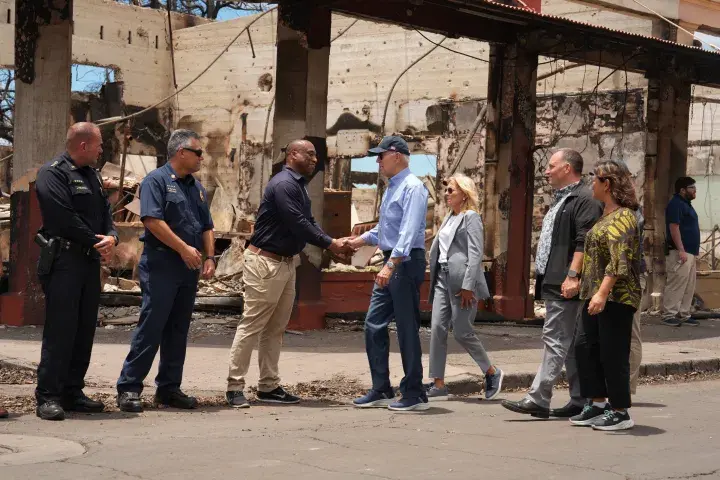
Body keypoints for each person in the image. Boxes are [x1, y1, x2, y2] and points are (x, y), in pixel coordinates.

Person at [225, 139, 353, 408]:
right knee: (252, 325)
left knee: (275, 329)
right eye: (309, 154)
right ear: (292, 154)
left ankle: (268, 386)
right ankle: (235, 386)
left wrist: (331, 245)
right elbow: (298, 224)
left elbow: (308, 222)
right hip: (265, 263)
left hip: (284, 263)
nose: (315, 160)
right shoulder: (284, 184)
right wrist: (330, 243)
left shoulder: (298, 186)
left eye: (316, 156)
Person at [116, 129, 215, 413]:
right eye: (198, 152)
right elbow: (151, 220)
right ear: (181, 152)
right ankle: (129, 387)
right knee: (152, 326)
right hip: (162, 264)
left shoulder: (196, 187)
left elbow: (206, 225)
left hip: (189, 267)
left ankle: (169, 388)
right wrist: (183, 248)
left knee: (178, 328)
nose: (201, 158)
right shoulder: (155, 181)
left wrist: (209, 257)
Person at [502, 148, 601, 419]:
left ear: (567, 168)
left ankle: (538, 397)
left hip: (565, 281)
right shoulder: (563, 199)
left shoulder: (584, 198)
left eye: (551, 165)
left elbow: (584, 241)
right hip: (554, 279)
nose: (546, 171)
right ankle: (580, 399)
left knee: (555, 337)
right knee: (567, 342)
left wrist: (572, 275)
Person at [34, 122, 118, 421]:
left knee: (84, 330)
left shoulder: (91, 176)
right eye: (99, 144)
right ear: (84, 145)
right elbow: (62, 218)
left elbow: (106, 213)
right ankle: (48, 396)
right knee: (61, 329)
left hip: (88, 261)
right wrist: (99, 241)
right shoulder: (53, 173)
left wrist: (112, 237)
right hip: (64, 261)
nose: (101, 149)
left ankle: (72, 392)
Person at [346, 135, 430, 412]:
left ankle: (414, 392)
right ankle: (381, 387)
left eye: (381, 156)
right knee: (373, 324)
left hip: (404, 262)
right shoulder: (393, 187)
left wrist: (390, 264)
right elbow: (387, 228)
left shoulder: (413, 187)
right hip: (392, 261)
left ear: (397, 155)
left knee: (406, 328)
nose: (378, 161)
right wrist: (359, 240)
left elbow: (407, 232)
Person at [570, 160, 641, 431]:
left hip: (616, 296)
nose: (592, 184)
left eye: (595, 179)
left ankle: (621, 411)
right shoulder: (604, 215)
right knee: (586, 347)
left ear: (607, 184)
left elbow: (619, 259)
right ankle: (597, 403)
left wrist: (602, 293)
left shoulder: (623, 216)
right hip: (594, 294)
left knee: (613, 353)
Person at [426, 174, 503, 401]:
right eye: (447, 190)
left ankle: (491, 371)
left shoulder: (471, 217)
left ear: (464, 193)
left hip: (462, 284)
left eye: (451, 190)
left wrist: (469, 285)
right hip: (442, 279)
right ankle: (438, 383)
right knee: (438, 329)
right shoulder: (450, 217)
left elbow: (475, 252)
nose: (446, 194)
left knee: (461, 331)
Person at [661, 177, 700, 327]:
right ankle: (669, 314)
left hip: (690, 252)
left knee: (688, 285)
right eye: (691, 188)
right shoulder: (676, 204)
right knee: (676, 283)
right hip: (680, 252)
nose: (694, 190)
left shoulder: (686, 204)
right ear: (682, 190)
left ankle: (684, 313)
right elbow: (674, 227)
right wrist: (681, 250)